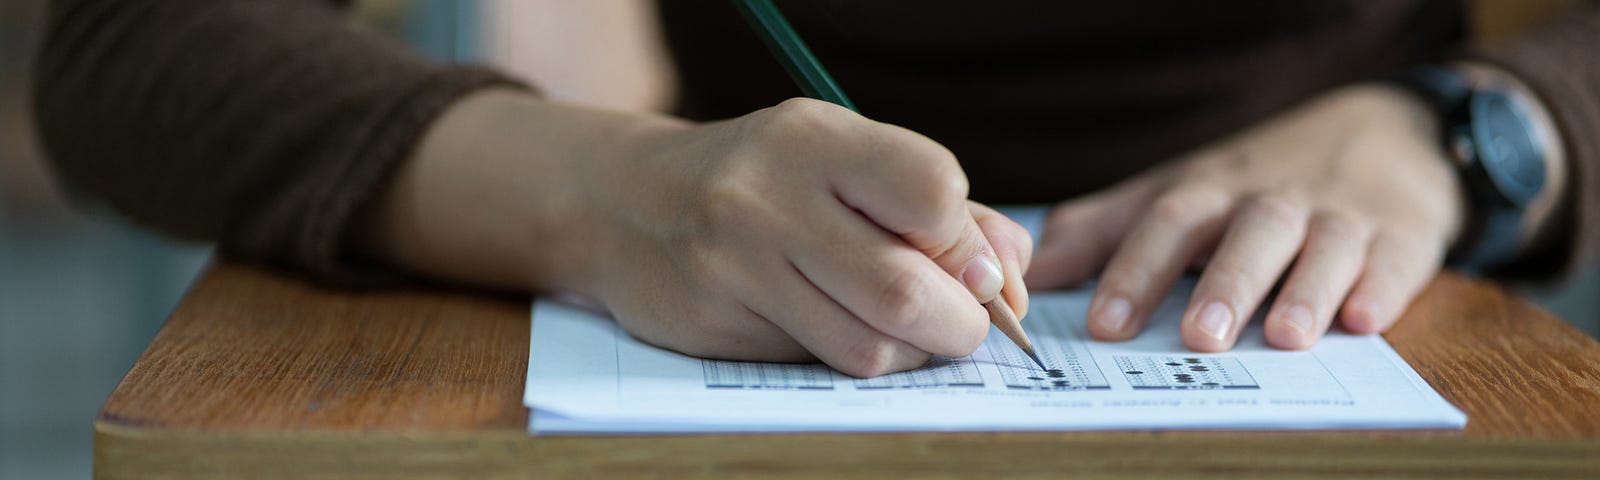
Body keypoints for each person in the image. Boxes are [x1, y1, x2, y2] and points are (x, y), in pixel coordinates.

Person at [32, 1, 1596, 378]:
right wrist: (603, 187)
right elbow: (129, 44)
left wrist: (1476, 131)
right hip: (734, 302)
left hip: (1384, 312)